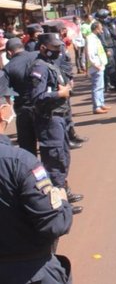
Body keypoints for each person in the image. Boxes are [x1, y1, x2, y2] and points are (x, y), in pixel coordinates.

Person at [0, 73, 74, 284]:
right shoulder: (19, 162)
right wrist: (63, 204)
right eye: (8, 100)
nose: (11, 104)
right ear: (2, 112)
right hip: (29, 271)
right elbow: (54, 224)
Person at [29, 34, 83, 214]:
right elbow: (37, 97)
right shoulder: (39, 67)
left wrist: (66, 89)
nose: (58, 51)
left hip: (59, 118)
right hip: (49, 121)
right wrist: (59, 95)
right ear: (43, 48)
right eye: (54, 48)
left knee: (63, 158)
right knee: (54, 162)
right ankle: (58, 206)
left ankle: (63, 193)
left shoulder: (51, 64)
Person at [3, 38, 38, 155]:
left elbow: (6, 94)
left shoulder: (8, 68)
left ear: (9, 53)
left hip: (24, 110)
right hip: (45, 104)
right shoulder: (38, 55)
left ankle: (32, 171)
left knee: (27, 147)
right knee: (49, 143)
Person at [86, 21, 110, 115]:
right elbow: (90, 53)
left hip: (100, 64)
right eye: (100, 28)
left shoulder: (95, 37)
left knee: (100, 86)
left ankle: (101, 103)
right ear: (96, 28)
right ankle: (97, 106)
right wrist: (96, 64)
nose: (102, 30)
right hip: (96, 66)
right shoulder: (91, 38)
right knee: (97, 87)